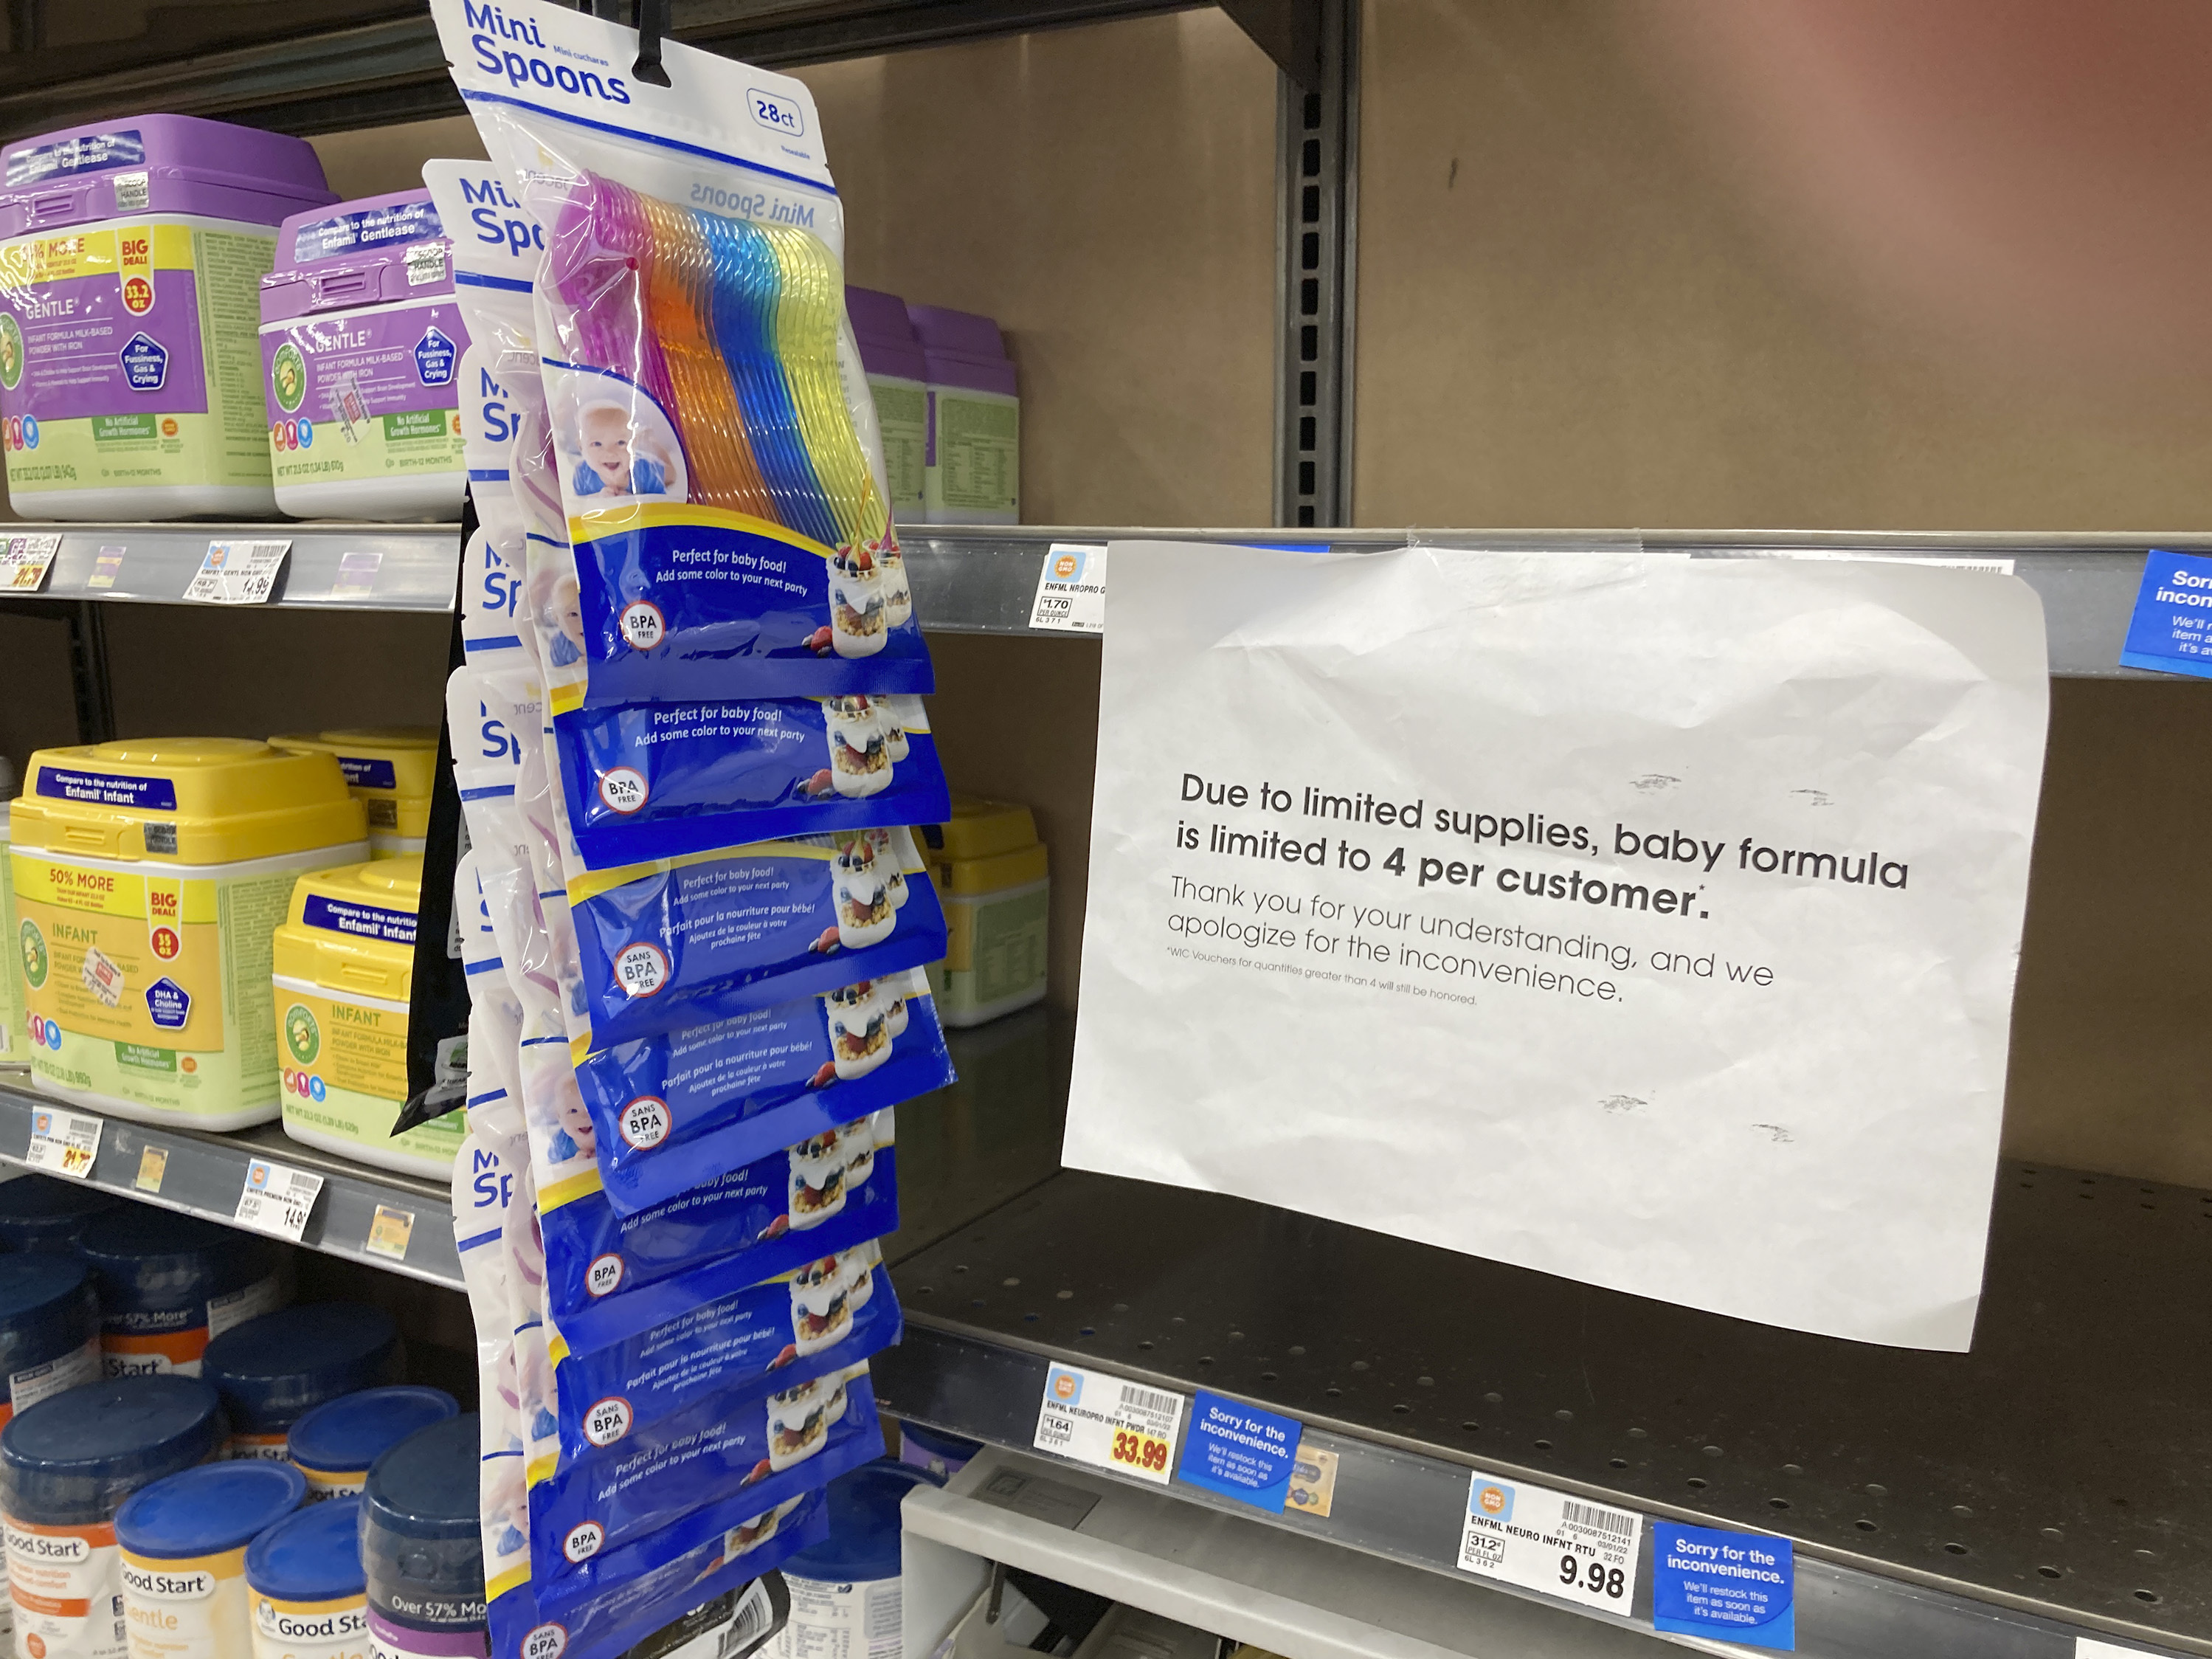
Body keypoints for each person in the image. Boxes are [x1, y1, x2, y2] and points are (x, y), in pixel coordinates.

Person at [571, 401, 672, 497]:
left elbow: (660, 503)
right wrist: (598, 497)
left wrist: (632, 499)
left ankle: (652, 442)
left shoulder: (646, 472)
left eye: (620, 443)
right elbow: (580, 504)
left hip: (648, 463)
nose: (610, 453)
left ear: (633, 444)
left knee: (671, 475)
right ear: (581, 448)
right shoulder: (582, 474)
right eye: (597, 444)